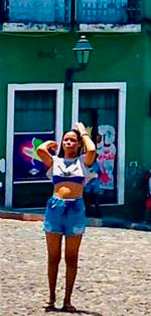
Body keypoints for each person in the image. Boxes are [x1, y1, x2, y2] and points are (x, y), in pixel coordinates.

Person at [36, 121, 96, 312]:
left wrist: (82, 132)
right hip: (55, 208)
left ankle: (67, 300)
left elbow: (92, 150)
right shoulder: (56, 162)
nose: (69, 143)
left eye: (72, 140)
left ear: (79, 144)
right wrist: (50, 144)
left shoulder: (82, 162)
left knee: (72, 257)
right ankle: (51, 298)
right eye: (66, 140)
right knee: (53, 257)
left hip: (75, 209)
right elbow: (40, 151)